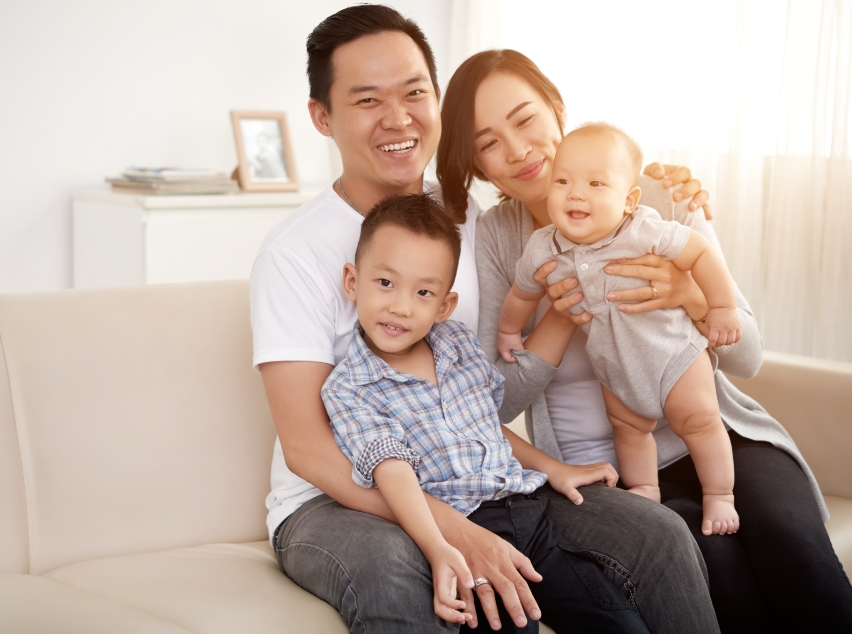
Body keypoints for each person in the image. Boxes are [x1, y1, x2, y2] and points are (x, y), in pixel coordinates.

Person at [252, 5, 717, 632]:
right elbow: (309, 450)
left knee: (655, 534)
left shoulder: (474, 221)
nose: (398, 118)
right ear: (322, 117)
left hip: (479, 477)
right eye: (367, 100)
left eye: (415, 92)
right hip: (334, 500)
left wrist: (662, 194)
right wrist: (454, 531)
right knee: (396, 575)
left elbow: (476, 390)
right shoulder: (295, 253)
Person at [436, 47, 852, 632]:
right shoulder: (502, 241)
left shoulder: (654, 197)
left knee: (791, 543)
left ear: (558, 111)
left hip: (714, 434)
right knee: (717, 561)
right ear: (476, 163)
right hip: (610, 469)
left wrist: (690, 294)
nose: (518, 150)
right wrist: (556, 319)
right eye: (488, 142)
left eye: (526, 119)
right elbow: (493, 403)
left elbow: (748, 355)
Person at [325, 193, 646, 633]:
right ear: (351, 281)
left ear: (444, 306)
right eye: (385, 283)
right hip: (460, 527)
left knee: (620, 622)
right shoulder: (351, 387)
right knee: (515, 624)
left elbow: (487, 428)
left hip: (527, 513)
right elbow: (392, 472)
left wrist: (555, 468)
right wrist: (439, 547)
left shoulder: (456, 345)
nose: (401, 306)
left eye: (423, 292)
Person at [496, 124, 741, 536]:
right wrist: (508, 332)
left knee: (700, 420)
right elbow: (522, 293)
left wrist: (720, 306)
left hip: (674, 354)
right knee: (628, 428)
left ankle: (720, 494)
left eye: (595, 183)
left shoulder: (643, 229)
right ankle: (645, 487)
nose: (576, 193)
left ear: (628, 201)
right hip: (615, 365)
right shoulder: (544, 246)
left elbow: (700, 252)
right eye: (563, 181)